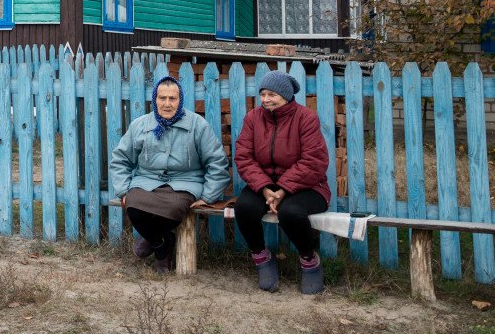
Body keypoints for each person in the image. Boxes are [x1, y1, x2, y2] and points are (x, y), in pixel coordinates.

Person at [109, 75, 230, 272]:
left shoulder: (197, 125)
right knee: (132, 203)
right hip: (146, 182)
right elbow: (121, 159)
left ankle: (155, 243)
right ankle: (161, 244)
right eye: (162, 98)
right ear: (154, 99)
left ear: (180, 100)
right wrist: (123, 190)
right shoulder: (140, 125)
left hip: (185, 183)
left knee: (174, 208)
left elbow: (217, 162)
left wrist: (208, 195)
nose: (166, 104)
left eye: (172, 99)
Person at [233, 70, 330, 294]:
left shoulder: (306, 118)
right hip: (265, 184)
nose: (266, 100)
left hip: (307, 185)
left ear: (286, 95)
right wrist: (266, 188)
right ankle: (262, 257)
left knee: (291, 212)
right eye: (263, 94)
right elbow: (243, 157)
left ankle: (309, 259)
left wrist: (284, 189)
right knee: (244, 207)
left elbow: (314, 161)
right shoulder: (253, 118)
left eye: (272, 94)